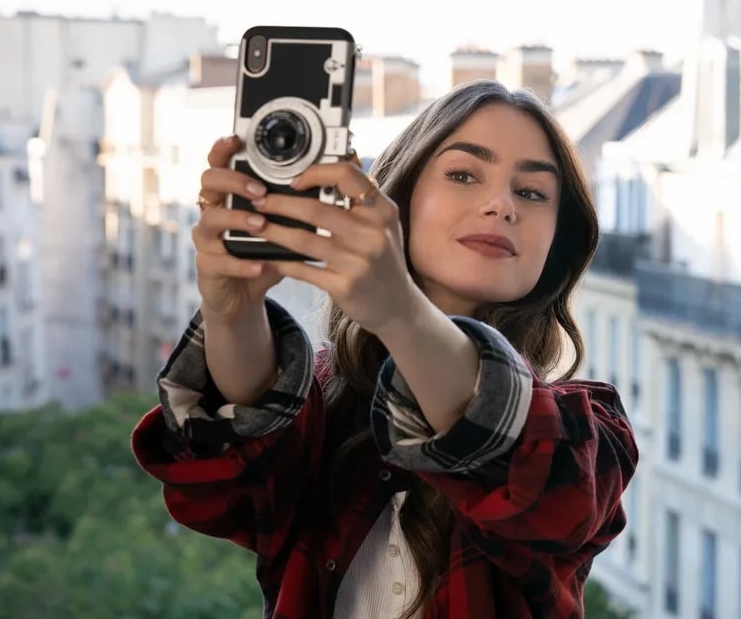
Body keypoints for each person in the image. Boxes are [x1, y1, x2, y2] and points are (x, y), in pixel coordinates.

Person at [130, 79, 640, 619]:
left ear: (557, 243)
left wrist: (399, 308)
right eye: (464, 174)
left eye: (532, 193)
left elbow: (551, 490)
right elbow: (225, 479)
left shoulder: (589, 432)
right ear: (401, 199)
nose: (501, 205)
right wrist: (231, 310)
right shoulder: (326, 402)